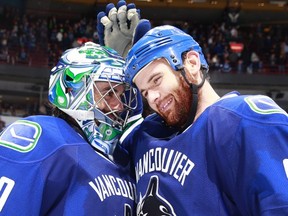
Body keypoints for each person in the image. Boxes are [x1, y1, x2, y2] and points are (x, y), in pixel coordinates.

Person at [98, 2, 288, 215]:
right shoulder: (147, 134)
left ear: (191, 63)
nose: (152, 98)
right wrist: (118, 68)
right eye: (144, 92)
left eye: (156, 80)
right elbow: (107, 147)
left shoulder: (244, 120)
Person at [0, 42, 141, 215]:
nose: (119, 106)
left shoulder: (122, 157)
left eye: (120, 94)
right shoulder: (43, 139)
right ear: (72, 90)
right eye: (109, 93)